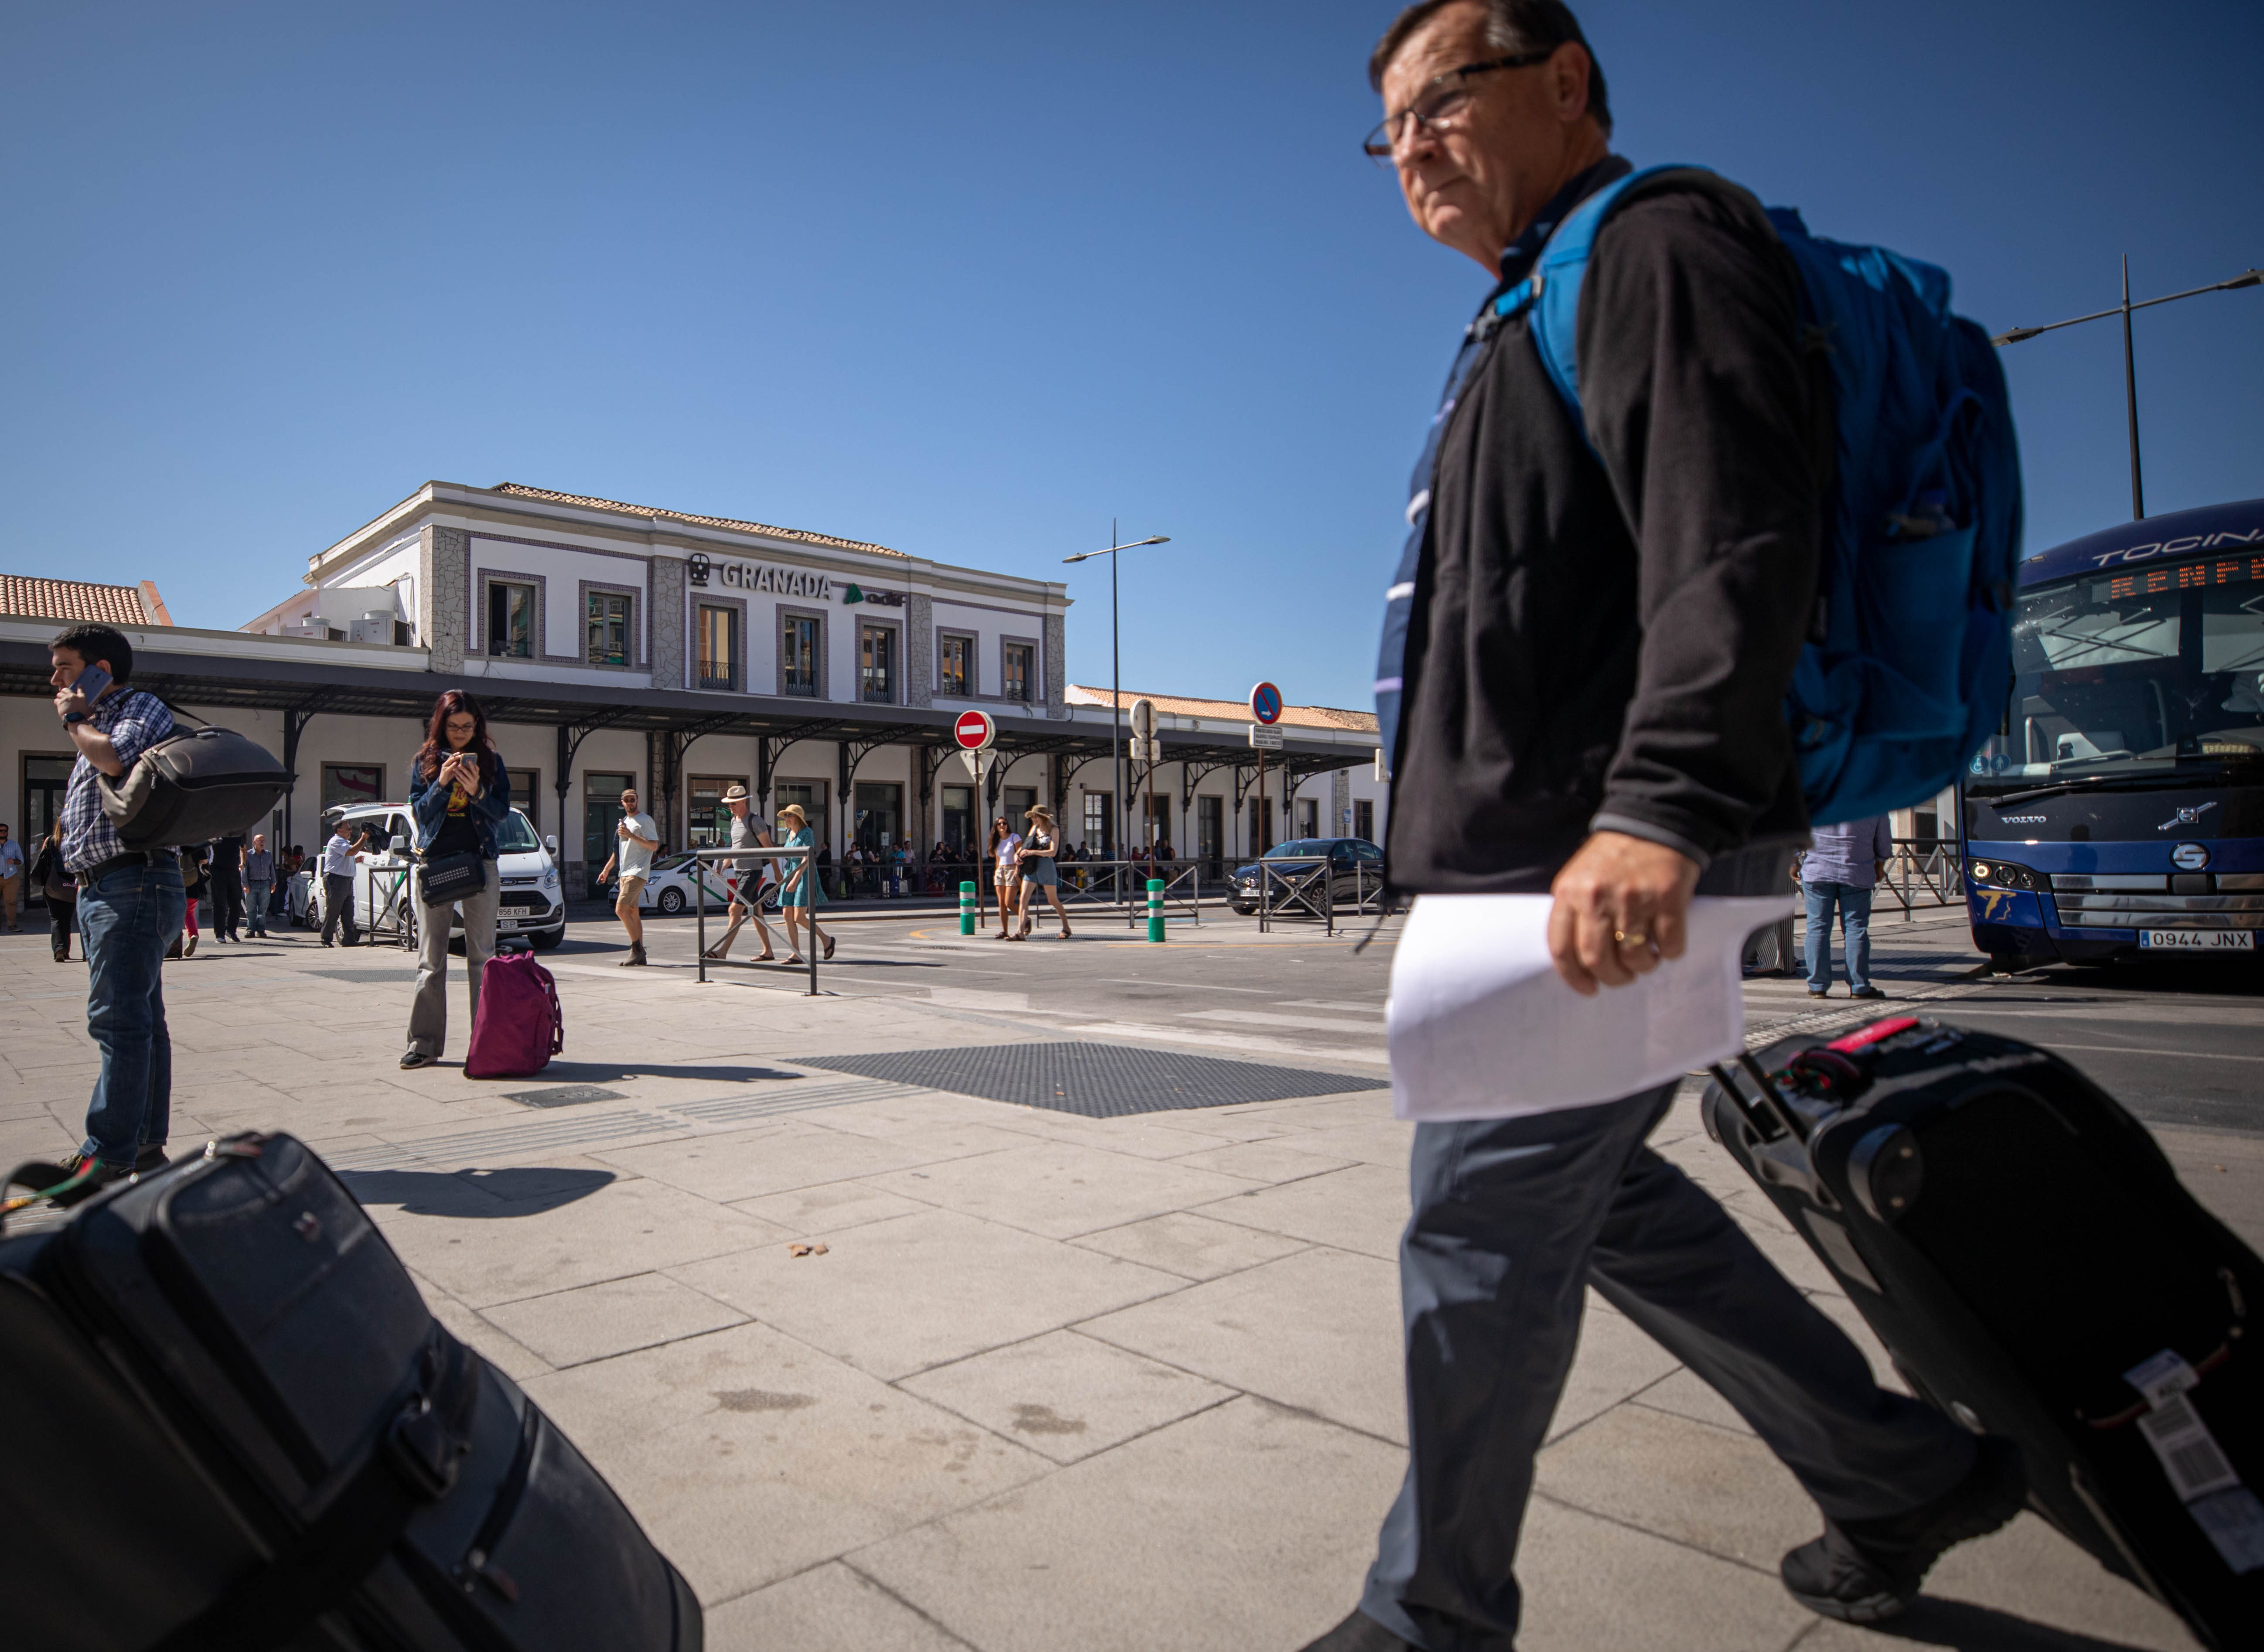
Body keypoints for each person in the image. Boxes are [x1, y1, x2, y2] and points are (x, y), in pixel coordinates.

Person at [1306, 9, 2024, 1649]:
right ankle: (1892, 1467)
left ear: (1565, 84)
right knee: (1600, 1204)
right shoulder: (1529, 296)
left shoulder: (1655, 240)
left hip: (1600, 855)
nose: (1412, 147)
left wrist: (1662, 807)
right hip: (1545, 857)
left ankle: (1424, 1621)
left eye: (1443, 102)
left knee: (1478, 1222)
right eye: (1389, 129)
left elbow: (1735, 525)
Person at [47, 622, 183, 1194]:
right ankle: (144, 1143)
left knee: (118, 1021)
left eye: (65, 667)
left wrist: (76, 718)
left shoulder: (137, 709)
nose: (54, 679)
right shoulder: (98, 721)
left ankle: (108, 1152)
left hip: (135, 882)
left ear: (101, 669)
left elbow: (112, 760)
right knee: (141, 1021)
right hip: (110, 886)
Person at [401, 690, 510, 1069]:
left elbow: (500, 814)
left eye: (468, 726)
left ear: (478, 725)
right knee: (431, 961)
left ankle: (486, 1043)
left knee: (482, 957)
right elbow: (418, 813)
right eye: (453, 727)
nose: (461, 733)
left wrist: (478, 789)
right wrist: (443, 782)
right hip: (435, 864)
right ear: (441, 725)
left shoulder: (492, 762)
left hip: (480, 864)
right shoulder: (425, 761)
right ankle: (424, 1044)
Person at [1801, 815, 1894, 1000]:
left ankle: (1818, 986)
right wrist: (1880, 864)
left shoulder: (1817, 793)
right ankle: (1859, 987)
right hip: (1857, 872)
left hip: (1817, 870)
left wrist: (1794, 860)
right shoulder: (1873, 797)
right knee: (1856, 929)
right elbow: (1884, 838)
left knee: (1817, 927)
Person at [702, 783, 778, 964]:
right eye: (729, 804)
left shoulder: (756, 821)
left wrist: (777, 872)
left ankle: (723, 951)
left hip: (753, 871)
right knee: (756, 912)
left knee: (734, 910)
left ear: (744, 802)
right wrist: (722, 866)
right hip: (739, 871)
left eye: (734, 803)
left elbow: (769, 848)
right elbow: (735, 848)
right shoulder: (734, 821)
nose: (730, 807)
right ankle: (768, 951)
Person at [592, 785, 660, 966]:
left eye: (633, 800)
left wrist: (631, 835)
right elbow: (619, 851)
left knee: (620, 909)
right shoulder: (624, 823)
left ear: (637, 801)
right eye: (627, 800)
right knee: (632, 911)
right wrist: (607, 870)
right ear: (622, 803)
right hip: (625, 872)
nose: (630, 803)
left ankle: (636, 949)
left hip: (637, 872)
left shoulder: (644, 821)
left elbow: (654, 846)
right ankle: (640, 954)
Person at [773, 802, 833, 963]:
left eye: (790, 815)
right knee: (787, 914)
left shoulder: (808, 832)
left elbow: (807, 858)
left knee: (799, 917)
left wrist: (795, 879)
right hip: (790, 872)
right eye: (785, 815)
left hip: (804, 874)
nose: (787, 818)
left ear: (798, 818)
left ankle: (826, 939)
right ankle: (795, 953)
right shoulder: (788, 833)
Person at [1013, 805, 1071, 940]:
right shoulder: (1035, 829)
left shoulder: (1054, 830)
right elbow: (1026, 845)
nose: (1033, 819)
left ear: (1042, 818)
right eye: (1033, 817)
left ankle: (1066, 928)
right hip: (1032, 866)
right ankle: (1020, 932)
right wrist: (1017, 854)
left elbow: (1053, 852)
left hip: (1046, 866)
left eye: (1035, 817)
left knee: (1053, 900)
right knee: (1023, 899)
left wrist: (1033, 852)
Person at [319, 818, 364, 947]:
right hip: (337, 881)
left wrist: (355, 861)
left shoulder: (344, 842)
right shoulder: (336, 841)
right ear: (339, 830)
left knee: (348, 912)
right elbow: (351, 852)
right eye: (348, 829)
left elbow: (343, 860)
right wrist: (364, 838)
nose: (351, 831)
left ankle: (349, 939)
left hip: (346, 881)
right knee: (334, 911)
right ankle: (326, 939)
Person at [988, 816, 1021, 939]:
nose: (1002, 826)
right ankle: (1005, 931)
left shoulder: (1014, 837)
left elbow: (1020, 856)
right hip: (1000, 871)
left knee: (1009, 902)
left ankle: (1025, 918)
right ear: (996, 827)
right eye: (1000, 824)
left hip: (1012, 869)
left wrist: (1018, 871)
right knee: (1001, 903)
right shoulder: (996, 841)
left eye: (1005, 823)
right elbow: (997, 859)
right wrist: (996, 872)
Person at [209, 830, 245, 942]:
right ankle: (220, 934)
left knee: (236, 903)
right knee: (219, 904)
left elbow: (243, 849)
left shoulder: (238, 834)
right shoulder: (216, 834)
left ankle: (231, 930)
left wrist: (243, 864)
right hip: (218, 871)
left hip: (234, 872)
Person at [242, 833, 275, 939]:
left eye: (264, 841)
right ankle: (250, 929)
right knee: (251, 909)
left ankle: (261, 930)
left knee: (263, 909)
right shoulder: (248, 854)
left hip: (265, 884)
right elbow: (244, 871)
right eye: (260, 841)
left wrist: (273, 883)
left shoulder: (268, 854)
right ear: (254, 842)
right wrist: (245, 885)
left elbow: (272, 869)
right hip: (252, 884)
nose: (262, 843)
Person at [0, 820, 22, 932]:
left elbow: (21, 861)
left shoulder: (14, 844)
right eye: (1, 831)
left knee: (11, 902)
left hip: (11, 877)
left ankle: (12, 925)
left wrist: (14, 861)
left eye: (5, 831)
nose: (3, 832)